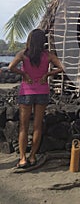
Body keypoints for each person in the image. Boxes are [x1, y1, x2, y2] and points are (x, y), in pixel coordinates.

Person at [8, 29, 64, 168]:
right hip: (42, 91)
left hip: (26, 91)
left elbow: (10, 67)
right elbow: (63, 67)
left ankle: (22, 158)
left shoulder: (23, 54)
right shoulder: (48, 55)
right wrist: (48, 75)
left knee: (23, 126)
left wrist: (24, 74)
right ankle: (32, 156)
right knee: (38, 126)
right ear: (43, 41)